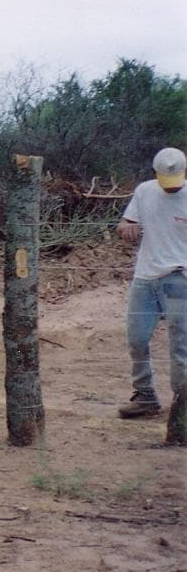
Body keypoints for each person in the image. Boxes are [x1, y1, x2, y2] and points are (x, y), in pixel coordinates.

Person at [115, 147, 187, 444]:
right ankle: (145, 395)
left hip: (180, 276)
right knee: (136, 338)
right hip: (145, 277)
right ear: (156, 174)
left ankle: (183, 407)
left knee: (180, 346)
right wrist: (126, 228)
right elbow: (126, 223)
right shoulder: (145, 191)